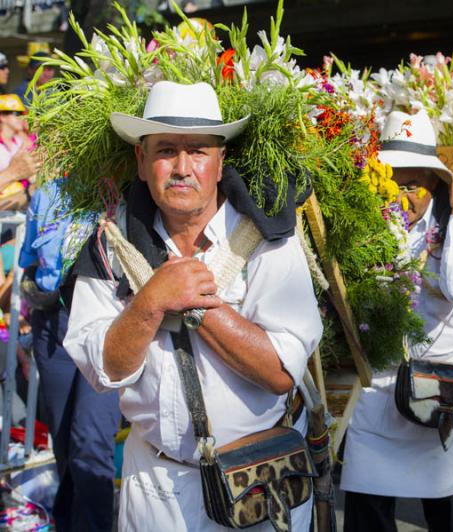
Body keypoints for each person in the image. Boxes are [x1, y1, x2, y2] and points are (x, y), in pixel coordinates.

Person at [63, 81, 323, 530]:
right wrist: (149, 303)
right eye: (165, 150)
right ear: (141, 163)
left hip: (258, 483)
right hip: (154, 490)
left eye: (198, 151)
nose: (182, 167)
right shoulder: (112, 245)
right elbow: (102, 371)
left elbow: (281, 372)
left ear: (220, 163)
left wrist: (195, 304)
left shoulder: (266, 241)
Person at [340, 109, 453, 531]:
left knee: (447, 515)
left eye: (413, 184)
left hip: (444, 390)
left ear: (436, 182)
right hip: (378, 390)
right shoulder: (368, 219)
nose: (400, 195)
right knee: (367, 510)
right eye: (392, 181)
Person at [19, 179, 119, 532]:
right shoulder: (48, 193)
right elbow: (30, 262)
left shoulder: (120, 191)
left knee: (89, 443)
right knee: (64, 444)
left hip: (106, 323)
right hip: (54, 326)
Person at [0, 93, 37, 211]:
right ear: (2, 116)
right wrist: (13, 172)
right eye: (17, 114)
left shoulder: (19, 141)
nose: (22, 118)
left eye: (23, 114)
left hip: (20, 203)